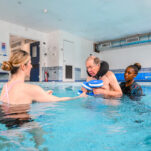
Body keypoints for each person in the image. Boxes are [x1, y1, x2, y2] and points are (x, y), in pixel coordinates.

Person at [0, 50, 80, 105]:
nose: (31, 66)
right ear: (23, 66)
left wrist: (41, 95)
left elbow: (18, 101)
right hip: (22, 124)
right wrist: (79, 97)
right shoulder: (30, 89)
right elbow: (58, 100)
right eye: (30, 63)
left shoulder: (5, 87)